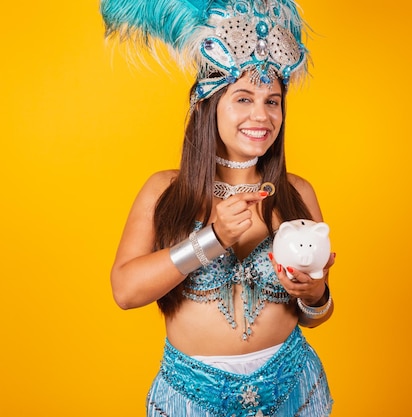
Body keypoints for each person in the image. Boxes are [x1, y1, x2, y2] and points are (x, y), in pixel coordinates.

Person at [100, 1, 335, 416]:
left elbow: (315, 315)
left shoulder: (297, 192)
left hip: (293, 393)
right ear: (209, 104)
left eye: (273, 101)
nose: (261, 115)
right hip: (193, 399)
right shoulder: (164, 190)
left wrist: (316, 293)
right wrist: (212, 239)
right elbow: (125, 291)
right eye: (243, 98)